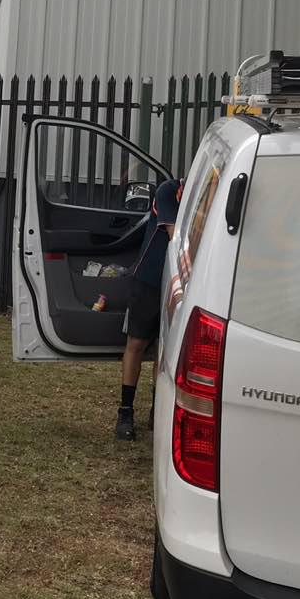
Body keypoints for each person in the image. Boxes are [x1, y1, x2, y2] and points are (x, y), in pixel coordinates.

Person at [116, 177, 182, 441]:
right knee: (137, 343)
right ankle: (125, 411)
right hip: (150, 280)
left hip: (176, 284)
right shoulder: (168, 190)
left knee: (163, 351)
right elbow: (175, 235)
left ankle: (158, 411)